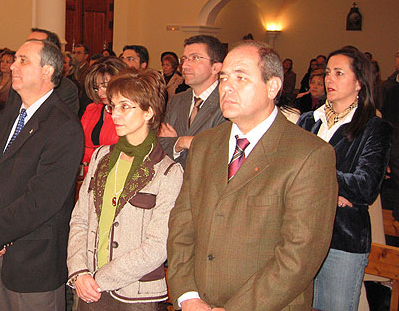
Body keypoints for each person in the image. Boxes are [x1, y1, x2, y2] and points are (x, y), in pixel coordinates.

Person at [167, 40, 338, 311]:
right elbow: (182, 225)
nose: (227, 87)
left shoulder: (309, 154)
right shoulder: (205, 144)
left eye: (241, 77)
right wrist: (187, 295)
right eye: (223, 77)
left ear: (272, 87)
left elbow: (299, 256)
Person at [0, 39, 84, 311]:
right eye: (15, 59)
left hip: (34, 258)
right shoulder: (9, 115)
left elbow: (42, 200)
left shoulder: (63, 125)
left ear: (47, 71)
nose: (12, 66)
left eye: (24, 60)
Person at [67, 68, 184, 309]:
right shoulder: (101, 156)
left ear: (149, 111)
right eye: (112, 107)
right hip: (88, 287)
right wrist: (79, 271)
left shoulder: (168, 172)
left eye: (125, 107)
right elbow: (79, 219)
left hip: (135, 295)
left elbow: (158, 245)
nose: (114, 115)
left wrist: (100, 279)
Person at [297, 47, 392, 311]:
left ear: (359, 82)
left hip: (342, 239)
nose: (329, 80)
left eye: (339, 73)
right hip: (298, 235)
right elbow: (285, 171)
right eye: (328, 73)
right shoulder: (308, 121)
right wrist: (333, 189)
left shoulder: (374, 127)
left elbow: (365, 187)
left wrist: (316, 181)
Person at [158, 35, 227, 168]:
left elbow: (215, 156)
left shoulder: (226, 103)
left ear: (216, 67)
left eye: (195, 58)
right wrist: (183, 142)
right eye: (184, 59)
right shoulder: (177, 101)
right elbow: (161, 146)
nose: (185, 65)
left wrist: (177, 143)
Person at [6, 28, 80, 115]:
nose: (12, 66)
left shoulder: (66, 89)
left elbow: (59, 124)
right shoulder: (18, 86)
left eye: (24, 60)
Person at [79, 57, 126, 177]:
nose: (100, 93)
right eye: (97, 88)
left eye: (105, 86)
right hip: (88, 177)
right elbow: (79, 146)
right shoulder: (92, 109)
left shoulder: (130, 113)